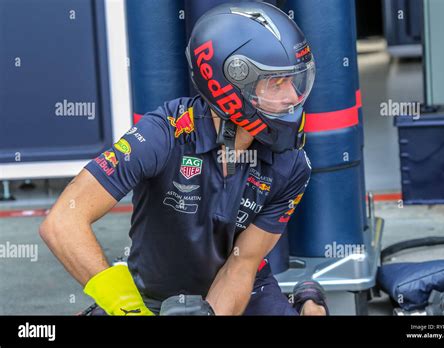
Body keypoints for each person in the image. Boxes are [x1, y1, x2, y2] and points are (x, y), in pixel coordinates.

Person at [40, 1, 328, 316]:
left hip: (247, 290)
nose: (292, 97)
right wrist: (128, 310)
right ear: (231, 85)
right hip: (150, 297)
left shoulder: (292, 164)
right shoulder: (162, 133)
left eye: (293, 80)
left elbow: (241, 265)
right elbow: (62, 222)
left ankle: (306, 301)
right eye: (276, 83)